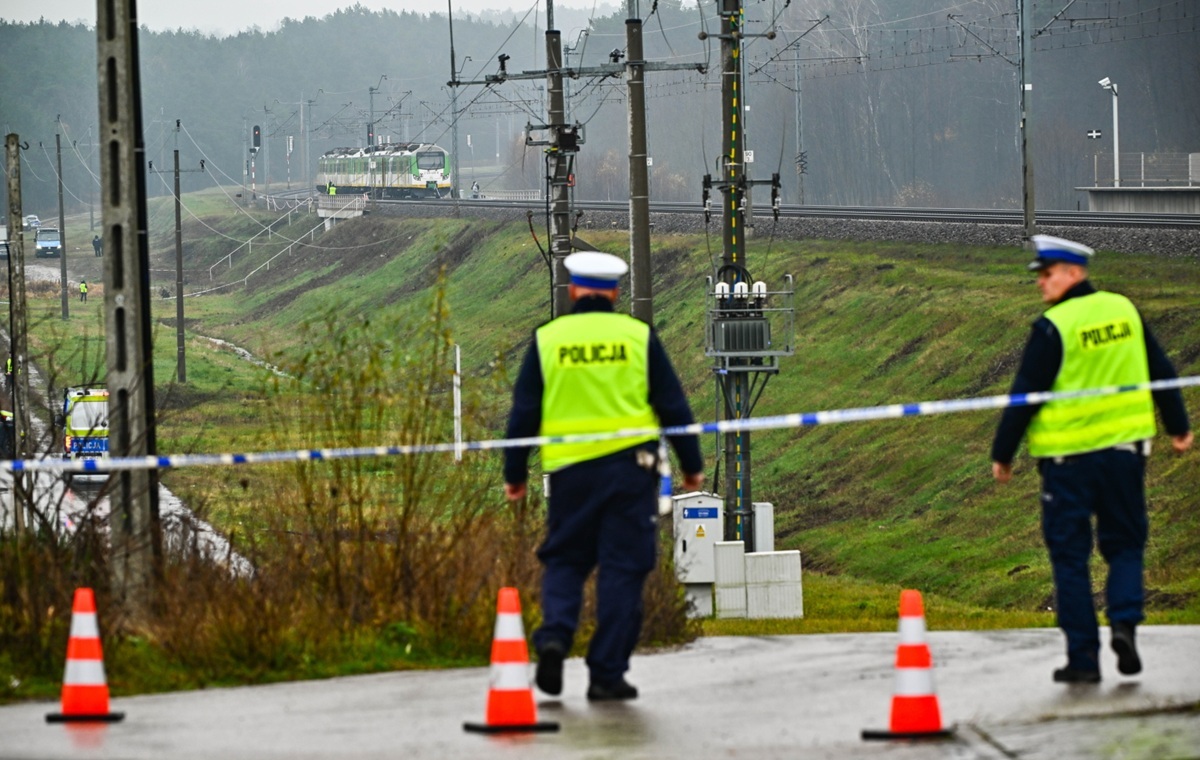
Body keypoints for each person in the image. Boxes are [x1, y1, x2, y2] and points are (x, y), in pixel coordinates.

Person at [504, 251, 705, 702]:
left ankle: (555, 636)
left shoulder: (547, 339)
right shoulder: (637, 337)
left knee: (566, 559)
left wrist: (514, 473)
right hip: (629, 475)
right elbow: (672, 405)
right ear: (614, 292)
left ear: (574, 289)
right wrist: (691, 464)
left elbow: (523, 413)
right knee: (622, 568)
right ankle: (606, 673)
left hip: (569, 474)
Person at [991, 234, 1192, 684]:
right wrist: (1178, 425)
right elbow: (1161, 370)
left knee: (1070, 557)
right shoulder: (1124, 310)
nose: (1041, 284)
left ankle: (1082, 659)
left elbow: (1025, 395)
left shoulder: (1053, 326)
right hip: (1125, 455)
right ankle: (1124, 623)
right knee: (1124, 544)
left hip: (1067, 465)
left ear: (1074, 274)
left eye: (1047, 275)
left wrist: (1002, 453)